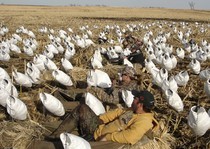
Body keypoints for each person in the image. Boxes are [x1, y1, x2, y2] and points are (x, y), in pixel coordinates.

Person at [28, 90, 158, 149]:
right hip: (97, 129)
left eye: (136, 98)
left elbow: (130, 137)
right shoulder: (131, 110)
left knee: (81, 109)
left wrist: (108, 137)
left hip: (100, 138)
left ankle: (53, 138)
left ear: (140, 103)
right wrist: (98, 119)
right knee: (82, 109)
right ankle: (55, 135)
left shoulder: (144, 121)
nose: (133, 99)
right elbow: (114, 113)